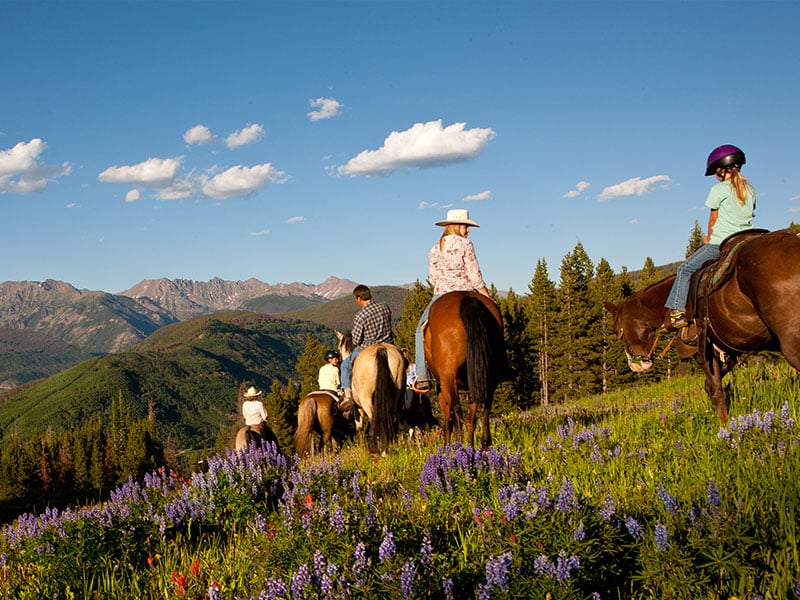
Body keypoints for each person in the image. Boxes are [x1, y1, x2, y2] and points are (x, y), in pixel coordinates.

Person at [665, 144, 756, 329]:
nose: (715, 175)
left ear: (722, 169)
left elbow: (713, 218)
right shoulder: (750, 189)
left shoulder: (718, 189)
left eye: (715, 171)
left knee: (685, 270)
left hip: (722, 241)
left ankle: (677, 312)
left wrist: (708, 238)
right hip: (749, 237)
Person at [412, 208, 492, 392]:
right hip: (467, 290)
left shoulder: (434, 248)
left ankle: (422, 377)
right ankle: (503, 363)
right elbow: (474, 273)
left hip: (441, 293)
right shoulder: (466, 244)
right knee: (494, 321)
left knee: (419, 330)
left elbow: (432, 277)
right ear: (456, 226)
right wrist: (486, 295)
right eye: (466, 226)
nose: (468, 230)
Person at [340, 284, 393, 404]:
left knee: (345, 366)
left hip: (367, 347)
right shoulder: (385, 307)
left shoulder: (360, 315)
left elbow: (356, 340)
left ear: (358, 299)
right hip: (388, 344)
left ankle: (348, 396)